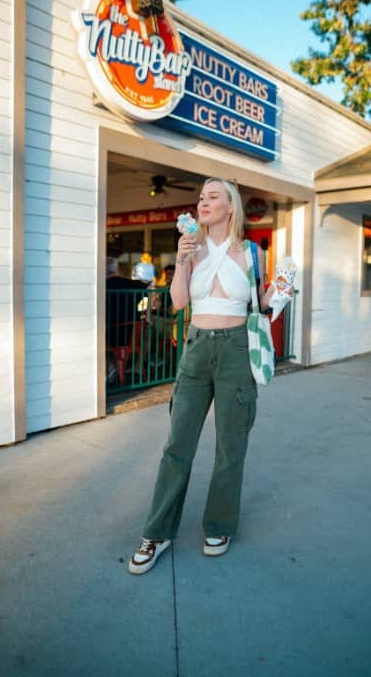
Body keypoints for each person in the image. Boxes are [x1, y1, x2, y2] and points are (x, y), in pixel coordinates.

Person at [128, 178, 282, 575]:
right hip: (196, 349)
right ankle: (156, 532)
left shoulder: (251, 251)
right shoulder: (191, 250)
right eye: (200, 197)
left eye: (213, 196)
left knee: (231, 447)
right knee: (177, 445)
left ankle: (219, 525)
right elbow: (179, 301)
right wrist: (181, 260)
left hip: (236, 349)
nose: (203, 202)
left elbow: (259, 304)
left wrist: (281, 291)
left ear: (231, 208)